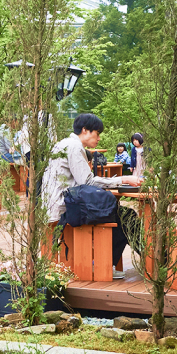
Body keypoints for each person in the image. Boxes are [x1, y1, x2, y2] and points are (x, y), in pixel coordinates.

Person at [43, 113, 142, 278]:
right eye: (97, 133)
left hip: (59, 204)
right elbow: (87, 182)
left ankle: (104, 263)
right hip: (66, 208)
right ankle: (105, 264)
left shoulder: (63, 144)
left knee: (118, 213)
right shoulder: (74, 147)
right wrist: (123, 179)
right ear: (85, 130)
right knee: (126, 217)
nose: (99, 138)